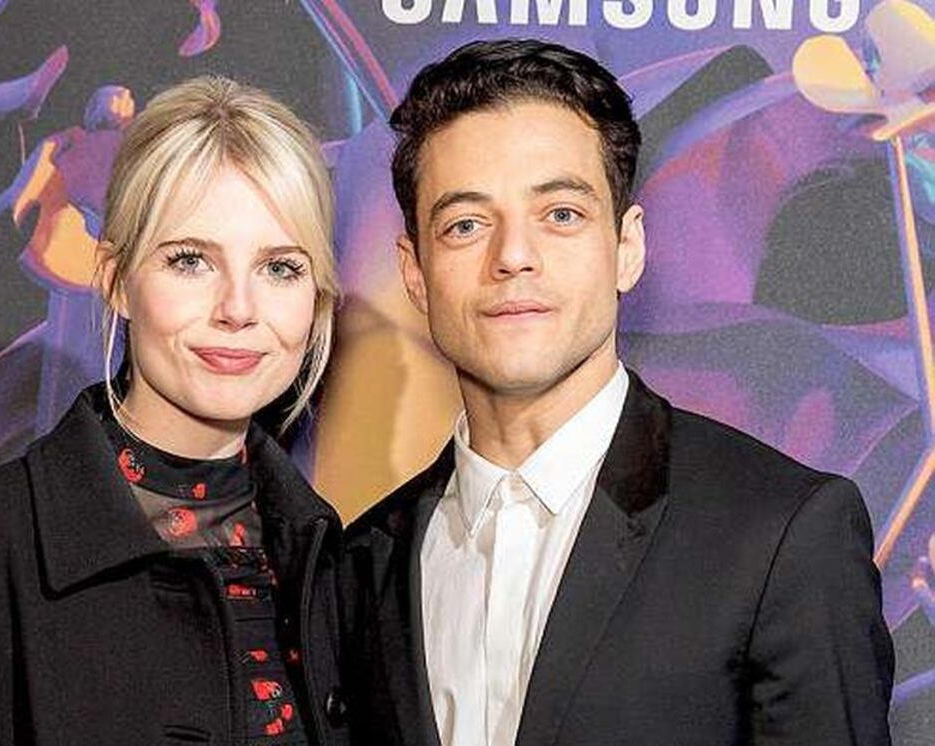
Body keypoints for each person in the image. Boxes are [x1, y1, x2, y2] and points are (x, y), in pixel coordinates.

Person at [339, 39, 894, 745]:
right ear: (415, 272)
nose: (513, 256)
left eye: (561, 214)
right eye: (466, 225)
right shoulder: (362, 562)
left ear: (627, 247)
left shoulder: (781, 534)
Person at [0, 75, 349, 745]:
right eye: (190, 261)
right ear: (116, 280)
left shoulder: (340, 561)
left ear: (317, 297)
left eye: (280, 268)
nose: (238, 308)